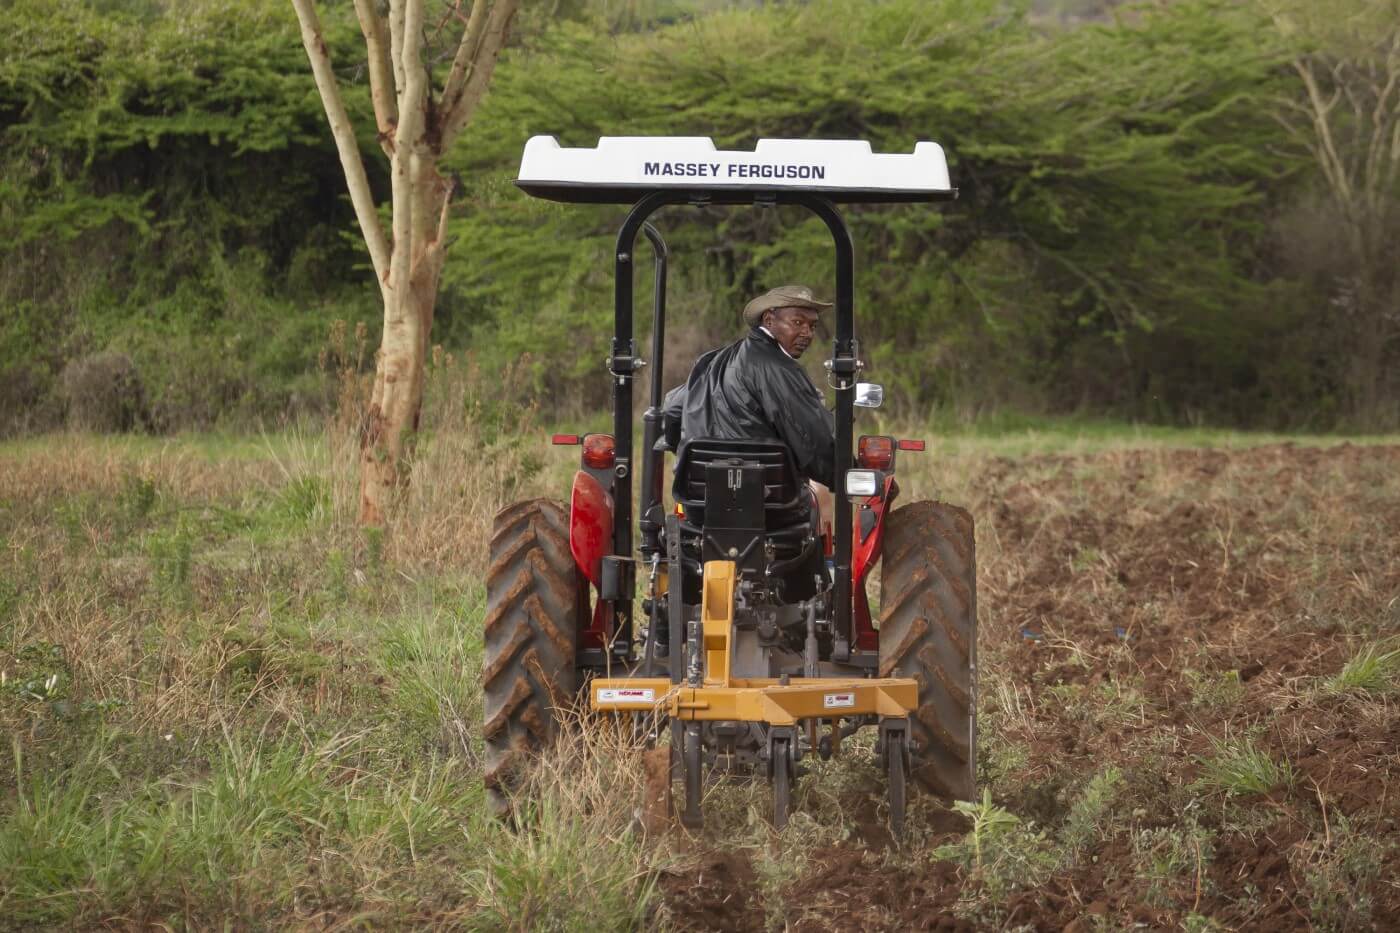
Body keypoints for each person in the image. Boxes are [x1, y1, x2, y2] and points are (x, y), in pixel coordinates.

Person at [663, 284, 836, 488]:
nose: (807, 333)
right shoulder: (780, 369)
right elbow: (812, 443)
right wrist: (846, 472)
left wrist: (688, 452)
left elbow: (672, 409)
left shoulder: (714, 360)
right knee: (819, 500)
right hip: (771, 505)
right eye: (797, 322)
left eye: (812, 326)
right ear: (769, 320)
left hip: (699, 500)